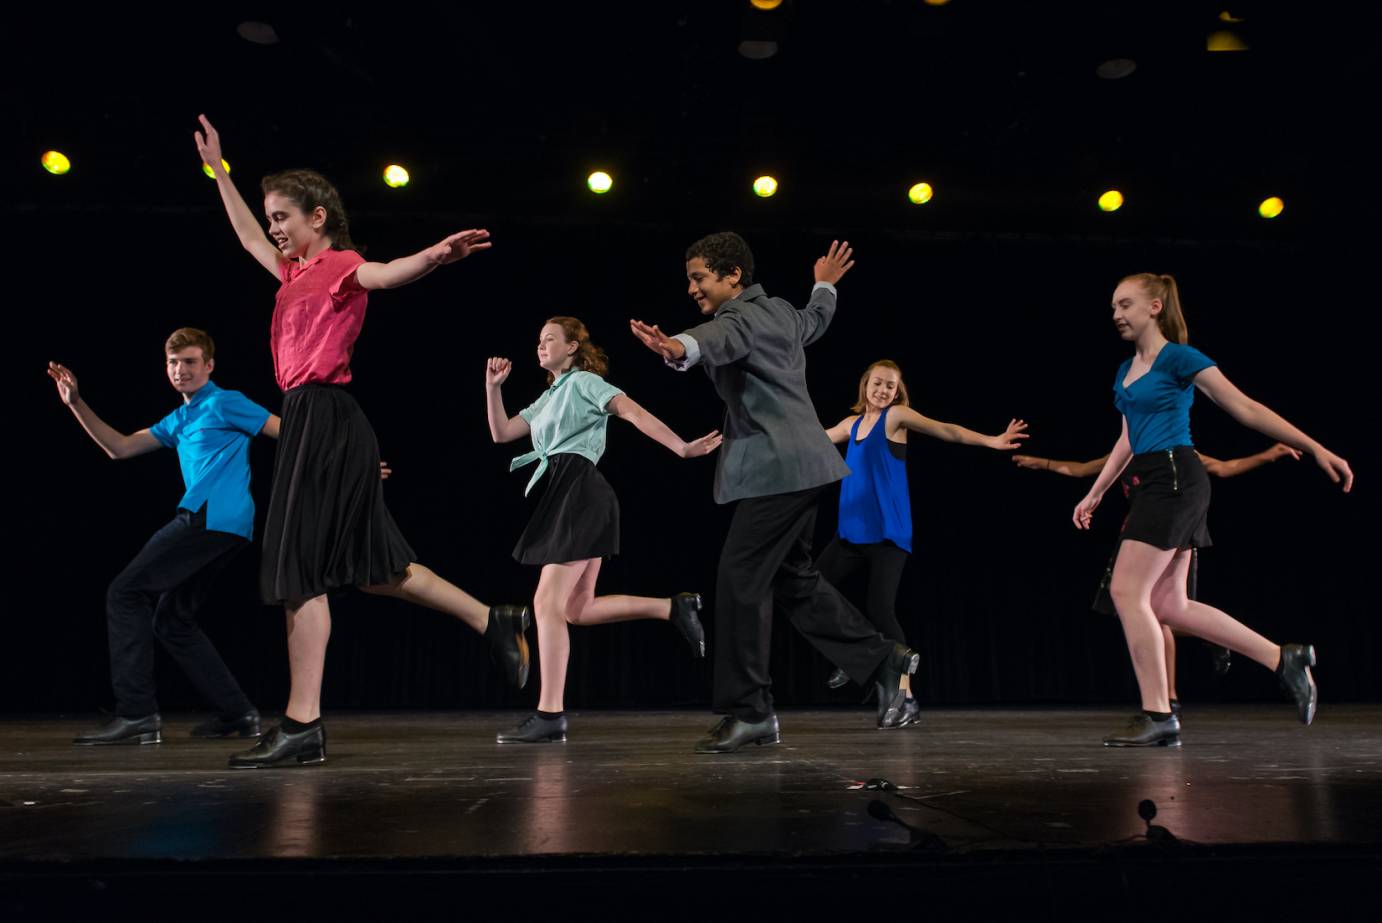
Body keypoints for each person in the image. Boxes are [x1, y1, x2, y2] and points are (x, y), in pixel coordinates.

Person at [194, 114, 530, 768]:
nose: (273, 228)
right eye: (271, 218)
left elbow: (386, 273)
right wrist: (220, 171)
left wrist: (435, 255)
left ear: (318, 217)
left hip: (323, 416)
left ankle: (302, 723)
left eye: (283, 216)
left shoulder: (340, 264)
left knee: (301, 571)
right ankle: (492, 618)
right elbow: (241, 233)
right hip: (317, 424)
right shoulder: (290, 273)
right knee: (376, 571)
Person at [631, 233, 919, 753]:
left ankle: (751, 711)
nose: (692, 288)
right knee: (793, 581)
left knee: (740, 578)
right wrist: (825, 286)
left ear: (732, 276)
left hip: (780, 470)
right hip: (802, 467)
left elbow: (713, 340)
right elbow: (815, 321)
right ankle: (882, 660)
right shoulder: (782, 312)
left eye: (699, 278)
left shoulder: (739, 318)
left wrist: (677, 347)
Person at [1072, 272, 1352, 747]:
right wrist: (1096, 490)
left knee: (1127, 592)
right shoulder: (1125, 370)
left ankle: (1159, 714)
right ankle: (1282, 658)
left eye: (1125, 305)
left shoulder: (1179, 358)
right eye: (1113, 307)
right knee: (1167, 604)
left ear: (1154, 307)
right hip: (1149, 481)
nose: (1116, 314)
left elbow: (1244, 407)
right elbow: (1126, 438)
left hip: (1177, 478)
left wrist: (1315, 446)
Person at [485, 317, 721, 743]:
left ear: (573, 346)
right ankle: (674, 608)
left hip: (580, 493)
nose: (540, 346)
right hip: (567, 492)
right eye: (537, 340)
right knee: (576, 609)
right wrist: (493, 388)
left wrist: (682, 447)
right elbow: (503, 433)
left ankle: (550, 714)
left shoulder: (584, 383)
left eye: (550, 339)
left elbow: (632, 411)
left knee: (546, 604)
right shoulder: (550, 396)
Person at [50, 328, 274, 745]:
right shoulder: (182, 418)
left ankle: (137, 715)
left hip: (209, 517)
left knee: (124, 593)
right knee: (172, 621)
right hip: (222, 527)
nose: (180, 370)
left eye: (189, 362)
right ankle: (238, 714)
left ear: (209, 365)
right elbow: (119, 447)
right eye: (173, 363)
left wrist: (354, 463)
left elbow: (290, 431)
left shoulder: (226, 402)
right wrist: (76, 403)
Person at [817, 359, 1028, 727]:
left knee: (881, 610)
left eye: (891, 386)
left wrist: (991, 440)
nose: (883, 391)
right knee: (814, 586)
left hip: (887, 532)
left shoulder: (895, 418)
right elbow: (813, 440)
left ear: (897, 392)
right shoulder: (851, 425)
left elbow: (947, 430)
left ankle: (906, 698)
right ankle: (859, 656)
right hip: (850, 532)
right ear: (865, 384)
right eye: (878, 384)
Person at [1014, 442, 1301, 689]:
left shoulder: (1174, 455)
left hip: (1169, 534)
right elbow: (1081, 468)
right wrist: (1042, 463)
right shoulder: (1125, 452)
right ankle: (1196, 661)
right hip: (1144, 536)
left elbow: (1226, 467)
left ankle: (1168, 702)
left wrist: (1270, 454)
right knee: (1156, 612)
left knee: (1158, 612)